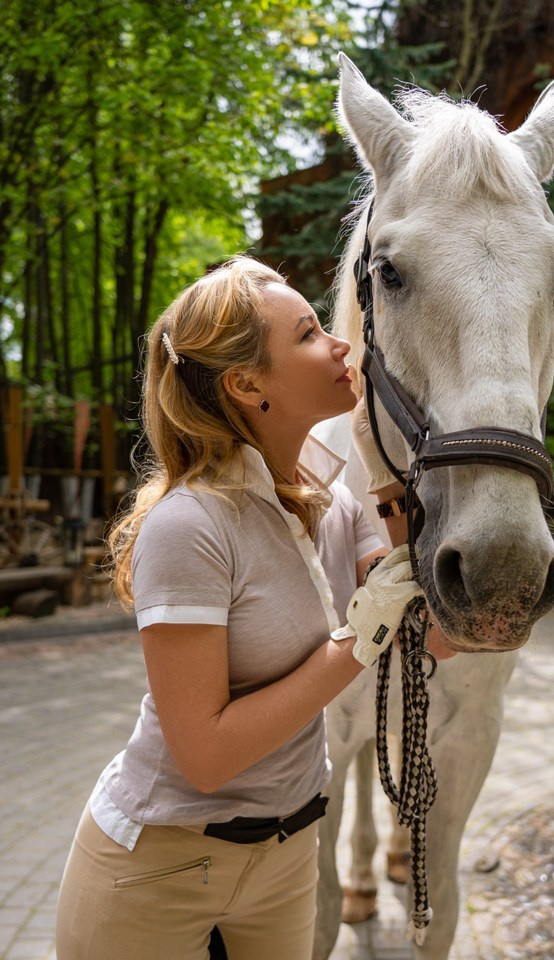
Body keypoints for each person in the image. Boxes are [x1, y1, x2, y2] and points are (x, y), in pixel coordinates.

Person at [55, 256, 451, 960]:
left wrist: (385, 463)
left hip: (288, 853)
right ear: (245, 384)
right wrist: (358, 643)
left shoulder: (333, 504)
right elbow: (205, 756)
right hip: (159, 867)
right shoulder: (190, 526)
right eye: (307, 335)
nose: (340, 344)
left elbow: (438, 640)